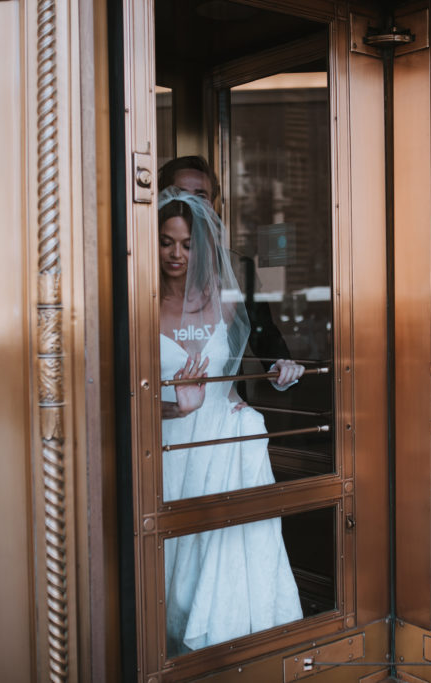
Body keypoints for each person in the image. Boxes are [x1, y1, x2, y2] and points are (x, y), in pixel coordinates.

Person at [157, 186, 304, 654]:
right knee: (174, 564)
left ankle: (230, 653)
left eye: (186, 243)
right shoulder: (138, 307)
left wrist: (276, 376)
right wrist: (172, 407)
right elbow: (120, 396)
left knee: (222, 555)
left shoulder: (225, 299)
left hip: (224, 440)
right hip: (165, 445)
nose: (177, 253)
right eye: (166, 241)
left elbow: (239, 366)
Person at [158, 156, 293, 369]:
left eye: (200, 195)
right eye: (180, 193)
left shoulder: (239, 268)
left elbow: (264, 334)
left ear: (212, 203)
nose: (190, 202)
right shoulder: (143, 264)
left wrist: (281, 367)